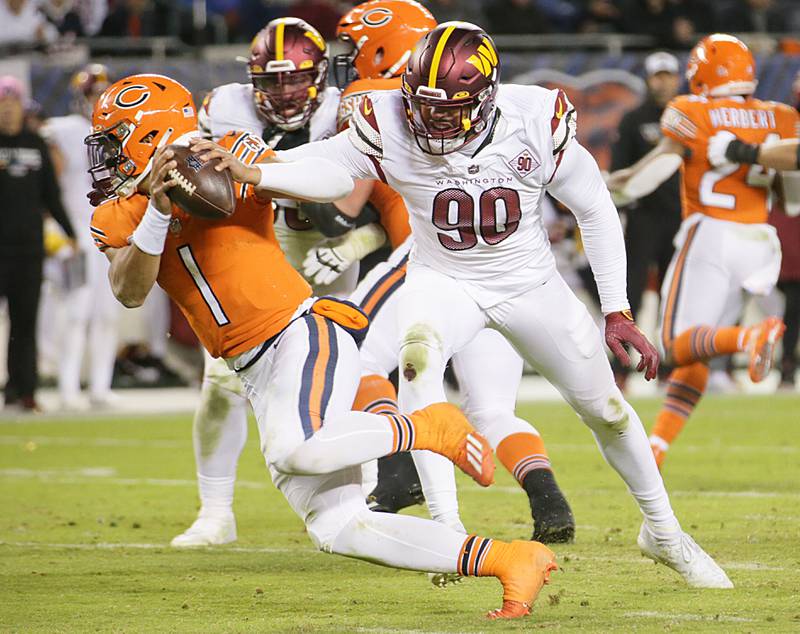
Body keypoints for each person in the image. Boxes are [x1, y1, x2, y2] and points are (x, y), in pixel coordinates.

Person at [276, 22, 732, 589]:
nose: (432, 120)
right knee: (418, 362)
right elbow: (325, 165)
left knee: (608, 411)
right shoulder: (388, 116)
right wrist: (252, 169)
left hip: (529, 283)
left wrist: (616, 309)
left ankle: (664, 533)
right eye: (424, 105)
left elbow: (594, 207)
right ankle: (449, 531)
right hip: (443, 278)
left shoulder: (535, 119)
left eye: (450, 109)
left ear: (487, 96)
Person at [88, 71, 557, 620]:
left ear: (148, 135)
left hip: (299, 332)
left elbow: (333, 182)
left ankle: (426, 428)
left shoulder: (227, 154)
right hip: (252, 369)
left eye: (115, 140)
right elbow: (129, 290)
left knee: (293, 449)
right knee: (340, 528)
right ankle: (508, 561)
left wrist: (255, 171)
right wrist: (159, 213)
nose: (108, 158)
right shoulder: (116, 214)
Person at [316, 0, 575, 547]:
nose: (347, 60)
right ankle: (548, 499)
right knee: (490, 407)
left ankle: (398, 470)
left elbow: (338, 205)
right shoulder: (491, 109)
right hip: (501, 274)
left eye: (355, 46)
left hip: (429, 266)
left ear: (386, 46)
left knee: (352, 355)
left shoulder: (379, 103)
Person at [171, 16, 369, 547]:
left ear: (322, 75)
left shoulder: (348, 111)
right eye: (271, 80)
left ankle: (356, 501)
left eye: (295, 79)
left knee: (338, 386)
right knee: (220, 384)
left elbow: (370, 207)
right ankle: (215, 512)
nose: (283, 92)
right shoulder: (222, 109)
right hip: (260, 252)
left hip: (326, 255)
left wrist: (352, 244)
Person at [607, 34, 798, 468]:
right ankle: (656, 450)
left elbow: (658, 168)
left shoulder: (691, 110)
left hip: (711, 234)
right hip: (760, 241)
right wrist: (757, 155)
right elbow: (794, 199)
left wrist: (615, 187)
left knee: (674, 345)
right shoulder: (780, 116)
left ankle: (749, 337)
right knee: (698, 348)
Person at [40, 63, 120, 409]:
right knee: (76, 312)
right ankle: (68, 388)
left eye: (103, 94)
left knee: (108, 314)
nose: (98, 100)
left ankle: (101, 387)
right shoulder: (66, 130)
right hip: (76, 232)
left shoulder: (122, 131)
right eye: (93, 94)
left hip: (114, 233)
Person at [0, 75, 75, 411]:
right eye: (2, 104)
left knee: (25, 324)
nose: (7, 110)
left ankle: (23, 390)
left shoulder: (36, 144)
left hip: (29, 250)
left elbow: (51, 194)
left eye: (12, 103)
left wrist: (70, 231)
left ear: (22, 106)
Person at [610, 51, 682, 388]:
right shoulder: (633, 119)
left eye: (668, 75)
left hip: (679, 219)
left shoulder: (687, 119)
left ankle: (671, 366)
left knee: (675, 296)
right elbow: (619, 174)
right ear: (649, 79)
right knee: (630, 295)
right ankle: (621, 367)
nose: (663, 81)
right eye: (657, 75)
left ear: (677, 78)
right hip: (643, 220)